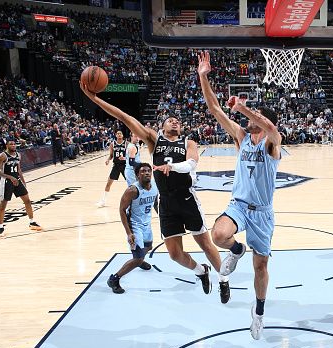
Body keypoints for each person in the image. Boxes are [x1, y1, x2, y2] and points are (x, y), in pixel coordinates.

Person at [80, 81, 229, 304]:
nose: (175, 121)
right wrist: (94, 99)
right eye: (170, 120)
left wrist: (174, 167)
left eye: (177, 121)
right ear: (161, 126)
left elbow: (192, 162)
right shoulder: (154, 139)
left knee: (205, 244)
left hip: (187, 198)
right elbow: (124, 117)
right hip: (166, 202)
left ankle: (224, 280)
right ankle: (200, 271)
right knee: (175, 254)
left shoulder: (188, 141)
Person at [198, 51, 281, 339]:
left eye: (254, 116)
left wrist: (242, 107)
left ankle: (258, 311)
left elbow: (270, 128)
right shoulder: (241, 138)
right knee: (218, 235)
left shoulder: (272, 143)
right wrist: (203, 76)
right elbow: (215, 110)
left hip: (263, 212)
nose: (249, 118)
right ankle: (236, 250)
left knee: (261, 266)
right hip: (239, 206)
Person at [107, 163, 158, 294]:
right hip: (135, 226)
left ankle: (139, 261)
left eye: (148, 171)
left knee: (148, 247)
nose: (146, 173)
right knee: (138, 257)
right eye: (143, 171)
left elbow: (156, 203)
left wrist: (163, 218)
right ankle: (114, 279)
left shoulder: (155, 186)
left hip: (147, 224)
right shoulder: (132, 190)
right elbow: (122, 210)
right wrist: (129, 233)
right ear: (137, 175)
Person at [0, 139, 43, 236]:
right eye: (11, 144)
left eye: (14, 144)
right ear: (7, 145)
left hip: (17, 180)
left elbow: (19, 170)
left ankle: (31, 221)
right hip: (6, 182)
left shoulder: (18, 155)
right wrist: (10, 177)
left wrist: (24, 182)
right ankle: (0, 225)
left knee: (27, 201)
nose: (13, 145)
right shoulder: (2, 156)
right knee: (3, 205)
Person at [97, 131, 127, 207]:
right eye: (118, 133)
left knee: (130, 183)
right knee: (108, 183)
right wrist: (108, 160)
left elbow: (130, 155)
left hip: (125, 165)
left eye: (120, 133)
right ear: (116, 135)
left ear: (122, 135)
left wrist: (125, 158)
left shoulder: (127, 144)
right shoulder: (112, 144)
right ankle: (103, 201)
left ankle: (135, 200)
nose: (119, 134)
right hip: (116, 165)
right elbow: (111, 155)